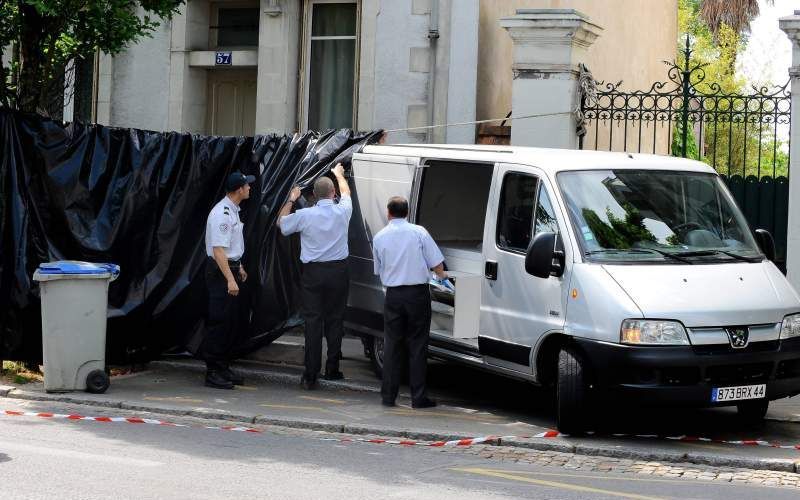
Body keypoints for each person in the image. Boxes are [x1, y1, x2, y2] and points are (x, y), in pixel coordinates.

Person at [278, 163, 352, 390]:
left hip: (313, 274)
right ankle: (333, 369)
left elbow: (281, 225)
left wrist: (291, 199)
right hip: (339, 272)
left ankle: (311, 375)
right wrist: (339, 175)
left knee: (313, 322)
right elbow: (346, 193)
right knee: (335, 319)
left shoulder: (305, 215)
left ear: (313, 195)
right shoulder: (343, 210)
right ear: (333, 194)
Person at [371, 196, 446, 409]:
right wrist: (442, 278)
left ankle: (388, 396)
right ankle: (418, 397)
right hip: (417, 295)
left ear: (388, 213)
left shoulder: (379, 237)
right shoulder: (419, 232)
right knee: (418, 345)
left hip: (393, 295)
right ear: (407, 212)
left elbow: (378, 269)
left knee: (392, 345)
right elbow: (437, 264)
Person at [202, 171, 255, 389]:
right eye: (247, 185)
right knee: (219, 322)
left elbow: (231, 247)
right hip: (221, 273)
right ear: (238, 189)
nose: (250, 188)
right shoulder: (223, 213)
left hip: (230, 268)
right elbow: (218, 250)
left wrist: (239, 267)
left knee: (230, 322)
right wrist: (230, 280)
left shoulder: (232, 211)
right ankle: (213, 371)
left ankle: (223, 366)